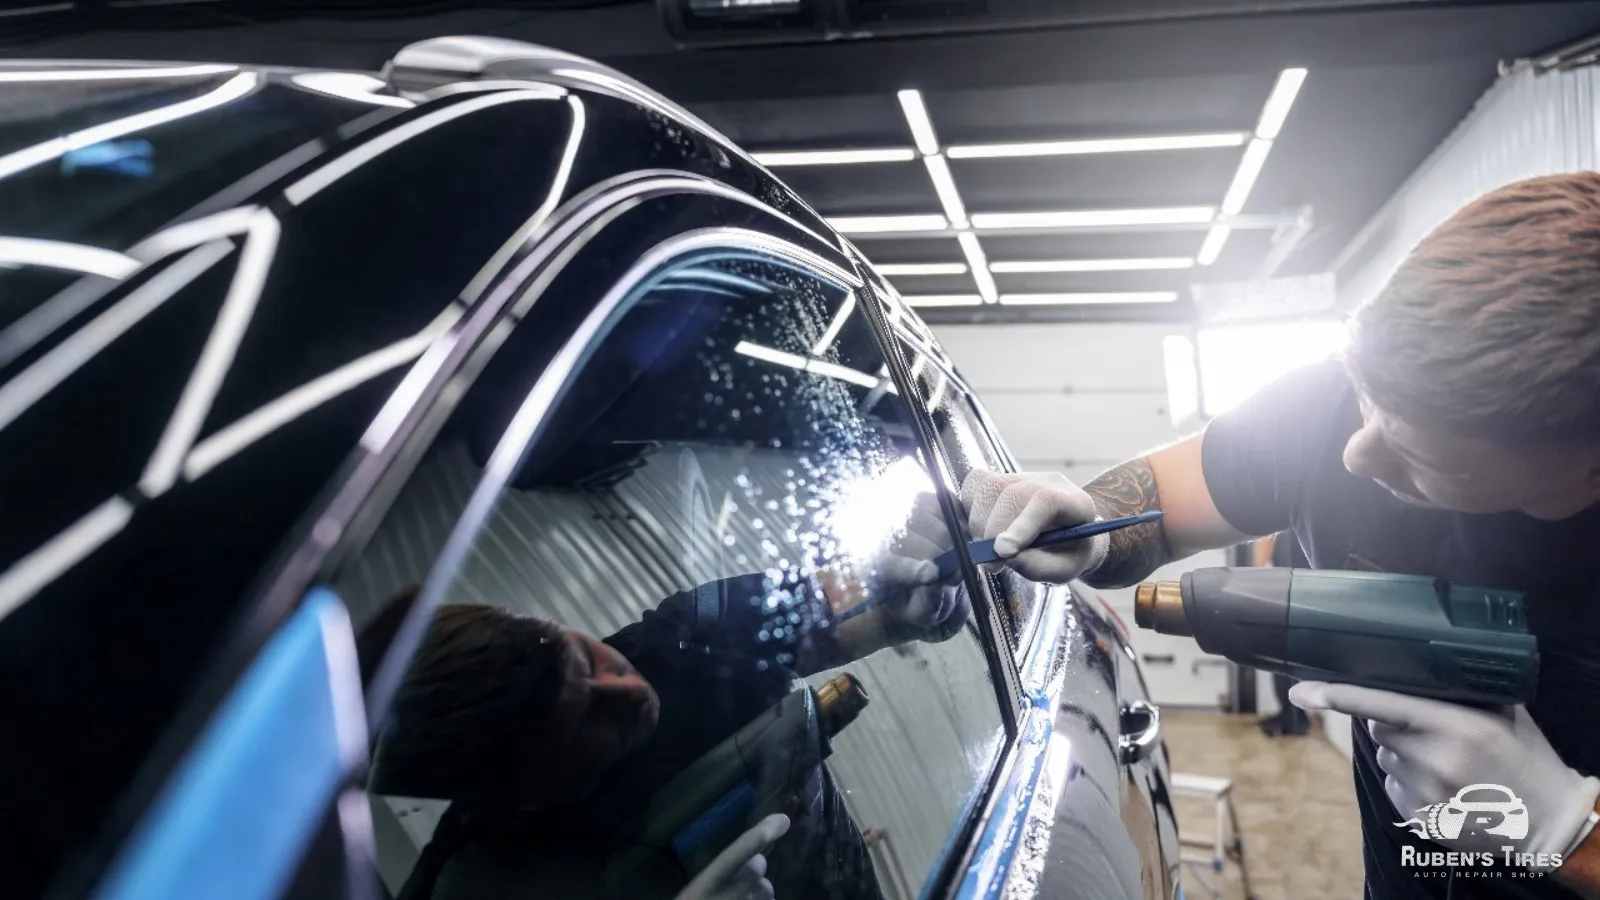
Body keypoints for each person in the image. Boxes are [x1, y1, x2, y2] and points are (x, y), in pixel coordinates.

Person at [960, 172, 1600, 899]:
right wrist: (1090, 530)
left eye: (1415, 458)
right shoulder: (1339, 404)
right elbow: (1159, 503)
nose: (1357, 454)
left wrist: (1568, 834)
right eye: (1366, 402)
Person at [367, 492, 965, 900]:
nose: (626, 687)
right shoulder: (473, 885)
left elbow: (846, 605)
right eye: (585, 718)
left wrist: (909, 592)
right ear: (519, 791)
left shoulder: (677, 640)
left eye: (585, 654)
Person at [1254, 532, 1312, 738]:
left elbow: (1265, 540)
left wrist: (1256, 575)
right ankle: (1290, 715)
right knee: (1284, 658)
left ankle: (1295, 719)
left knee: (1285, 658)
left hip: (1294, 592)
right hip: (1293, 589)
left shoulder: (1286, 523)